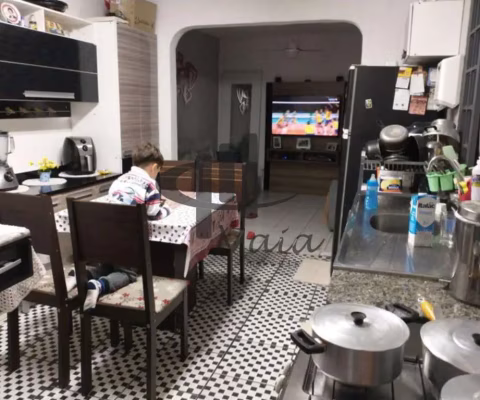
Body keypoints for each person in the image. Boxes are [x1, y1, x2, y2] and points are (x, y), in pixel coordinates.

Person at [66, 143, 170, 311]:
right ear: (154, 167)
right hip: (126, 240)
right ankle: (99, 286)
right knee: (127, 273)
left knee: (106, 267)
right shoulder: (150, 186)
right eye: (158, 170)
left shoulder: (119, 180)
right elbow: (153, 213)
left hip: (104, 237)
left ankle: (77, 276)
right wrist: (166, 210)